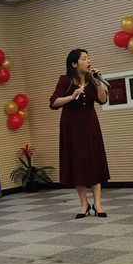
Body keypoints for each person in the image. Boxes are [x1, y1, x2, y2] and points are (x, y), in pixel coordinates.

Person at [49, 49, 110, 218]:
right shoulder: (65, 80)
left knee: (93, 162)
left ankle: (98, 205)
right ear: (74, 64)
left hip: (90, 126)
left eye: (89, 58)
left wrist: (98, 83)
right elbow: (54, 102)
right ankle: (84, 205)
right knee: (78, 165)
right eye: (84, 58)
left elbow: (102, 100)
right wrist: (71, 96)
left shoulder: (92, 79)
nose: (88, 61)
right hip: (72, 128)